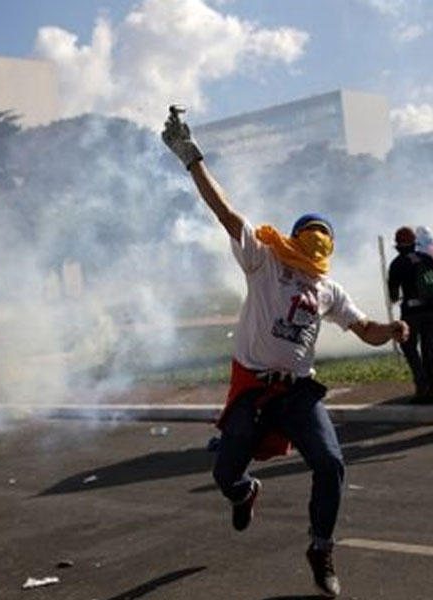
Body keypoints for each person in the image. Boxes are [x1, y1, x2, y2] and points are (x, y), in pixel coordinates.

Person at [161, 108, 408, 598]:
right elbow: (226, 213)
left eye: (323, 236)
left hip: (296, 393)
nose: (315, 241)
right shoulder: (265, 260)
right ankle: (244, 491)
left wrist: (393, 329)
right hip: (254, 388)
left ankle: (321, 549)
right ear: (296, 236)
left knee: (331, 464)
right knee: (224, 472)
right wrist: (192, 158)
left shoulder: (329, 288)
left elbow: (364, 330)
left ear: (328, 248)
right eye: (310, 232)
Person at [388, 226, 433, 401]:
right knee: (428, 347)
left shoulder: (397, 264)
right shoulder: (426, 258)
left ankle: (421, 383)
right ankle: (432, 387)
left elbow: (393, 294)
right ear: (415, 244)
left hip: (411, 312)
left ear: (398, 246)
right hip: (431, 310)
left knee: (408, 346)